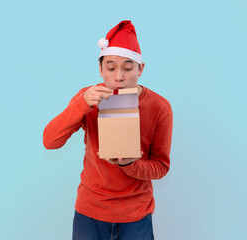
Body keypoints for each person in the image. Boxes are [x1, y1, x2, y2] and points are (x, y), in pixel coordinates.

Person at [43, 20, 173, 240]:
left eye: (128, 68)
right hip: (90, 212)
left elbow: (161, 167)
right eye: (111, 68)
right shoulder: (88, 97)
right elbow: (50, 141)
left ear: (141, 69)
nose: (119, 76)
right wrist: (82, 104)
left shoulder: (160, 107)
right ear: (101, 69)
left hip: (136, 217)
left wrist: (129, 164)